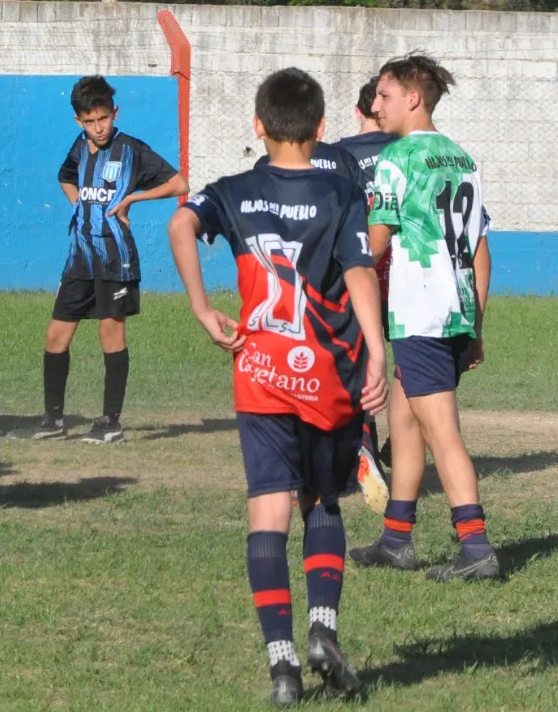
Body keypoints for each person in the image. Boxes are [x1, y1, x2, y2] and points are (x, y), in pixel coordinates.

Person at [167, 68, 387, 705]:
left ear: (258, 126)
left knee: (268, 508)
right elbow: (360, 270)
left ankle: (282, 662)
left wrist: (202, 307)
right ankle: (323, 627)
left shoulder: (233, 190)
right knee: (323, 502)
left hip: (260, 371)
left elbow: (181, 225)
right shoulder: (342, 190)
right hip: (326, 373)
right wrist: (376, 352)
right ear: (322, 130)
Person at [349, 53, 502, 581]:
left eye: (385, 96)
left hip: (421, 313)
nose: (376, 105)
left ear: (413, 98)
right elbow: (480, 250)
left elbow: (372, 245)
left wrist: (327, 270)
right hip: (455, 311)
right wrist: (476, 327)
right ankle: (397, 539)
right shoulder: (461, 159)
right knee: (404, 421)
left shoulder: (398, 160)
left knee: (442, 431)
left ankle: (476, 548)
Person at [13, 76, 186, 444]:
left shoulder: (131, 150)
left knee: (111, 334)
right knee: (56, 335)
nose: (98, 127)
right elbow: (65, 176)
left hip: (115, 260)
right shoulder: (80, 146)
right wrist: (79, 205)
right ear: (79, 121)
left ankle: (111, 423)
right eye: (90, 121)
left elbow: (179, 184)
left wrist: (131, 201)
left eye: (103, 119)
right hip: (79, 258)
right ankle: (53, 421)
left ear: (114, 113)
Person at [334, 76, 399, 496]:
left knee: (357, 362)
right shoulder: (407, 152)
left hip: (359, 274)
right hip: (406, 275)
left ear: (358, 111)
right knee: (411, 361)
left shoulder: (337, 156)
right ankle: (405, 434)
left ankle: (364, 447)